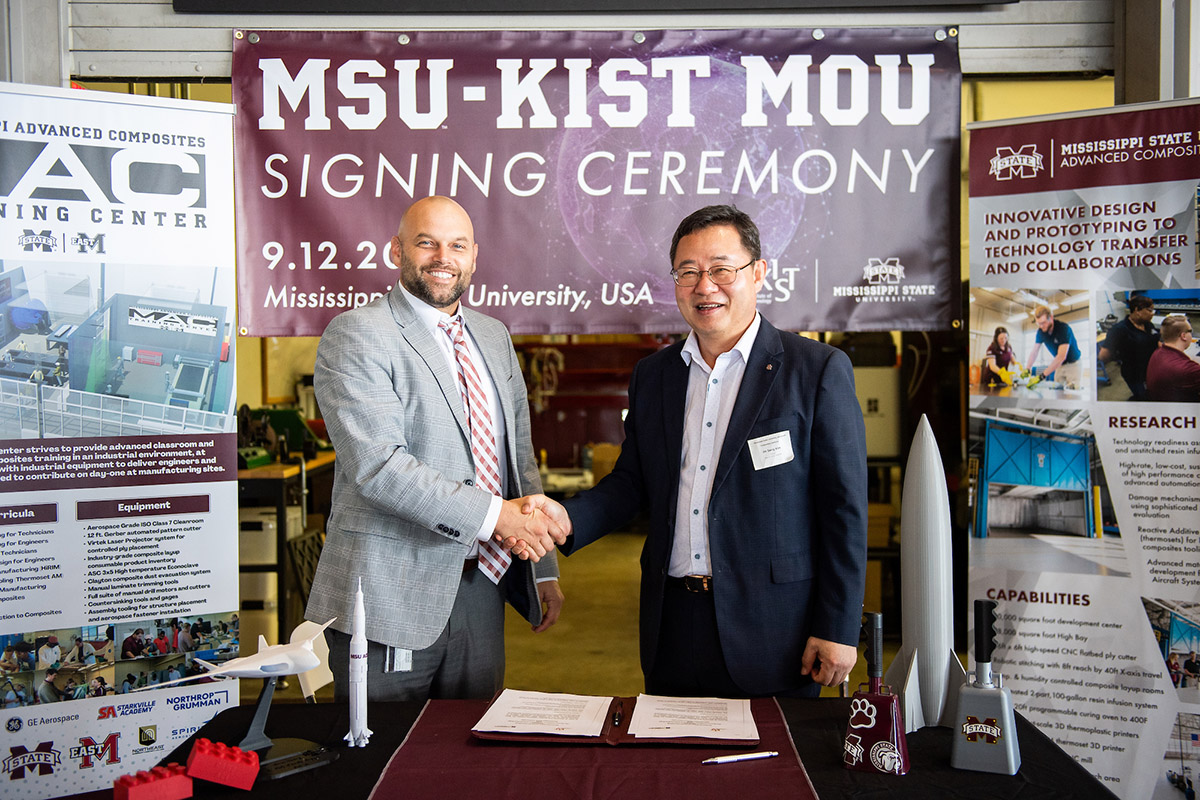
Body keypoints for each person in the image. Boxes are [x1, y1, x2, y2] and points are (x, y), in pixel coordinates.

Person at [535, 205, 867, 698]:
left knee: (774, 769)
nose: (704, 286)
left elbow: (843, 509)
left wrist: (838, 625)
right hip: (672, 621)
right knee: (670, 769)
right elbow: (632, 482)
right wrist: (562, 519)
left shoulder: (815, 371)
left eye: (721, 269)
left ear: (758, 273)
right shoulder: (655, 375)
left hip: (776, 628)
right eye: (687, 272)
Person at [304, 195, 568, 703]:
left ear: (474, 257)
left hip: (482, 586)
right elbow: (380, 468)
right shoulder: (357, 334)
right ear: (397, 251)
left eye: (457, 245)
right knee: (380, 762)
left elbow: (518, 457)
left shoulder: (493, 336)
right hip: (388, 592)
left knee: (468, 762)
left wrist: (542, 568)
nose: (442, 257)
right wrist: (501, 519)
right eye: (427, 243)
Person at [1098, 295, 1159, 400]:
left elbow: (1155, 341)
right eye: (1149, 310)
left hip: (1152, 369)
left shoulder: (1148, 324)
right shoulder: (1119, 330)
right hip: (1135, 374)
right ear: (1137, 310)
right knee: (1144, 398)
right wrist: (1120, 354)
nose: (1152, 313)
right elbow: (1103, 355)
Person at [1146, 315, 1200, 402]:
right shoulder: (1187, 369)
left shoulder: (1158, 352)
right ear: (1183, 336)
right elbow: (1187, 371)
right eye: (1190, 331)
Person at [1025, 305, 1082, 386]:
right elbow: (1034, 351)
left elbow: (1061, 357)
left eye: (1043, 323)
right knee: (1057, 391)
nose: (1041, 326)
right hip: (1060, 365)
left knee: (1072, 393)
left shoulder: (1063, 329)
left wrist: (1041, 376)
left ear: (1051, 318)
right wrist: (1027, 368)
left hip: (1073, 364)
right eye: (1038, 323)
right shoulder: (1040, 332)